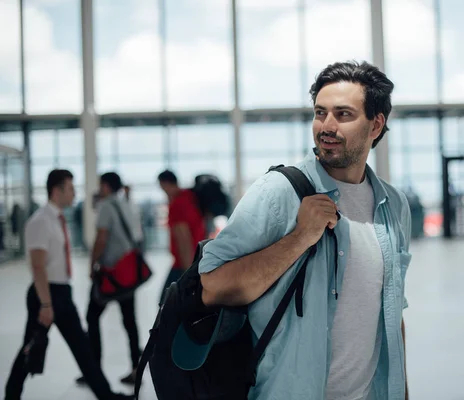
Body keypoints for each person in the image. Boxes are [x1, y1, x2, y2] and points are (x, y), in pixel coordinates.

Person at [197, 61, 412, 400]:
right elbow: (212, 286)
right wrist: (299, 238)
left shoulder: (393, 205)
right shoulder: (278, 192)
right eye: (320, 113)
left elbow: (392, 312)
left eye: (343, 114)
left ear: (376, 125)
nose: (326, 126)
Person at [4, 169, 133, 400]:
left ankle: (106, 395)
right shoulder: (40, 221)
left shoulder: (57, 219)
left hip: (62, 292)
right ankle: (11, 394)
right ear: (57, 191)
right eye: (71, 188)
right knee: (30, 348)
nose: (75, 193)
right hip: (46, 294)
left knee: (83, 350)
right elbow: (37, 266)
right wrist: (45, 304)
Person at [75, 173, 142, 387]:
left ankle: (94, 371)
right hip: (128, 271)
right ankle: (135, 370)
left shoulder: (105, 206)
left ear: (105, 186)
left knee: (92, 318)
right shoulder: (127, 204)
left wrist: (92, 264)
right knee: (130, 321)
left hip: (109, 274)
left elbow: (101, 238)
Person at [158, 170, 207, 301]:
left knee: (166, 302)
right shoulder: (190, 198)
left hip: (183, 264)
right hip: (197, 258)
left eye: (163, 188)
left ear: (166, 184)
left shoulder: (177, 204)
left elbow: (183, 239)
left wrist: (188, 273)